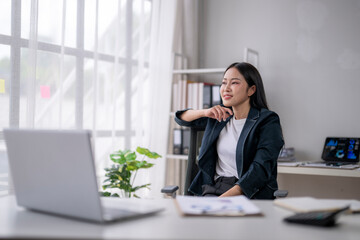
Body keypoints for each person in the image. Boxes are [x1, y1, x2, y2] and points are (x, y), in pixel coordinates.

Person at [175, 62, 284, 199]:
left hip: (247, 193)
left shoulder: (267, 120)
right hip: (213, 188)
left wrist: (221, 202)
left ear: (251, 90)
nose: (226, 88)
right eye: (224, 83)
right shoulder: (219, 116)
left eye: (234, 83)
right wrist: (205, 112)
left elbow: (260, 169)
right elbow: (181, 118)